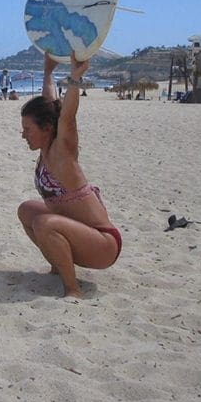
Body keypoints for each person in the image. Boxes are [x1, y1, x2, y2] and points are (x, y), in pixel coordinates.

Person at [17, 52, 121, 298]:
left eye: (27, 130)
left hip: (102, 243)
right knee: (27, 210)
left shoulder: (62, 151)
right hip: (78, 232)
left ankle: (72, 289)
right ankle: (58, 265)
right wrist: (48, 71)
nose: (23, 135)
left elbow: (67, 115)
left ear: (47, 128)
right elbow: (50, 102)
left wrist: (75, 78)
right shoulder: (45, 147)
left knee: (43, 222)